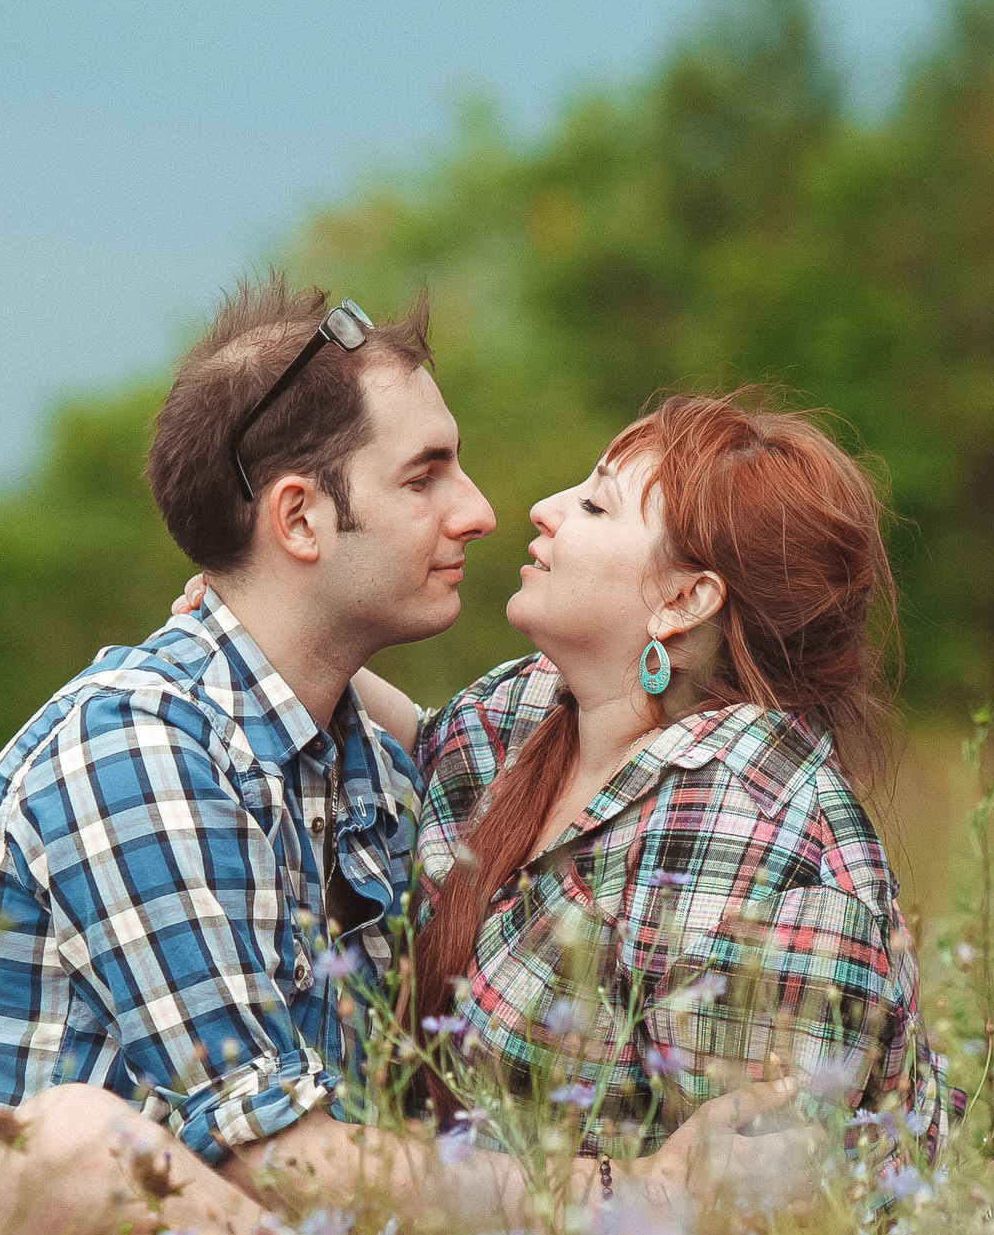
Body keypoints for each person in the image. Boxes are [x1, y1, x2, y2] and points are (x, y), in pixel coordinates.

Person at [0, 281, 814, 1235]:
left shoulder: (366, 762)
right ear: (299, 519)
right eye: (424, 477)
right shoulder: (138, 749)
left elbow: (589, 729)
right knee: (70, 1145)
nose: (479, 511)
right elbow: (278, 1160)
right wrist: (636, 1198)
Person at [351, 391, 953, 1184]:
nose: (541, 510)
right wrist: (267, 632)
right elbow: (431, 748)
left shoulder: (750, 829)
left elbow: (756, 1221)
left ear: (685, 598)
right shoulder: (542, 704)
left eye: (596, 505)